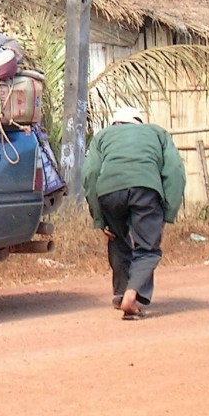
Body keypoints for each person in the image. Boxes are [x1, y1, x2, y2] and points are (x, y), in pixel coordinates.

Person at [82, 105, 186, 320]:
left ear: (115, 124)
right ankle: (133, 296)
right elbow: (175, 171)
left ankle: (120, 293)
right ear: (139, 122)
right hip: (145, 190)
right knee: (147, 249)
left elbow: (91, 173)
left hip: (109, 192)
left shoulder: (102, 136)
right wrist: (168, 212)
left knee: (117, 238)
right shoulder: (157, 133)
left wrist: (99, 218)